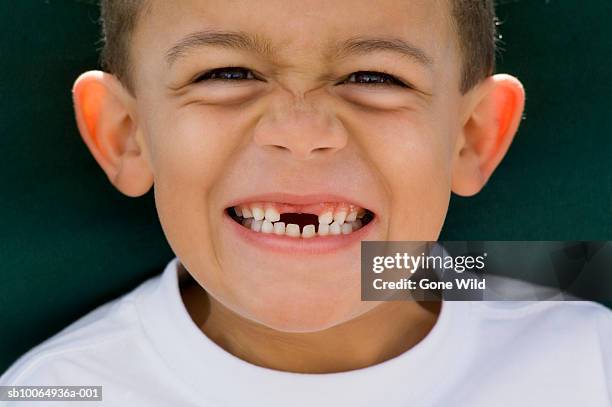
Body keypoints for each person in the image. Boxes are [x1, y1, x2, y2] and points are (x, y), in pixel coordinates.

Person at [1, 1, 610, 405]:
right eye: (228, 74)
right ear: (127, 136)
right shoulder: (58, 391)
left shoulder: (591, 356)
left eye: (375, 78)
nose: (302, 128)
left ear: (473, 137)